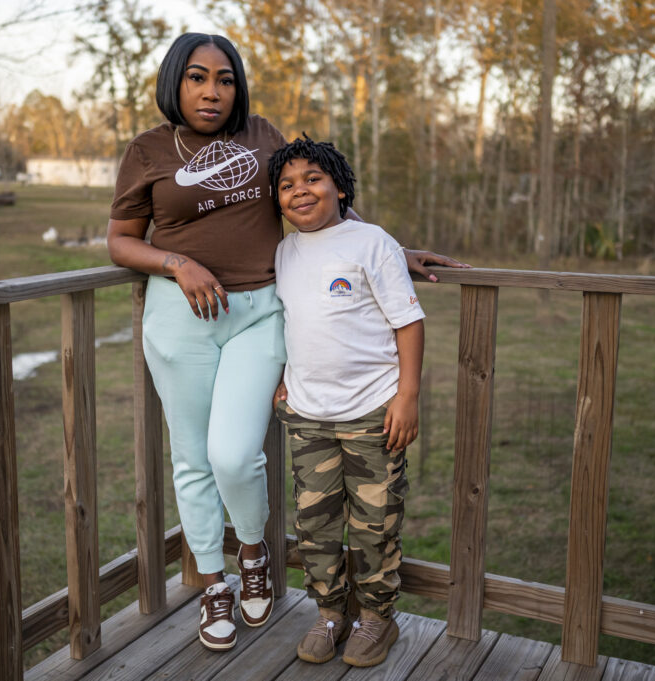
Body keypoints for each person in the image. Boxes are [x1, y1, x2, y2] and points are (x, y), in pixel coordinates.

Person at [106, 33, 466, 652]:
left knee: (233, 452)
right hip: (181, 313)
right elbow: (119, 240)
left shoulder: (263, 134)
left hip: (256, 312)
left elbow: (321, 208)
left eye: (224, 78)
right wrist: (175, 263)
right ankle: (216, 582)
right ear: (176, 83)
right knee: (191, 457)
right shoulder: (147, 150)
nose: (212, 91)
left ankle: (253, 550)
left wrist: (389, 251)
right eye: (197, 78)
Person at [269, 135, 422, 667]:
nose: (300, 191)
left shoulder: (371, 242)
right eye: (287, 185)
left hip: (371, 411)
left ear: (339, 186)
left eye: (313, 179)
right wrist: (285, 376)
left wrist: (407, 396)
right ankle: (330, 612)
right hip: (308, 415)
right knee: (315, 523)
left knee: (375, 522)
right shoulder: (284, 252)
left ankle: (376, 618)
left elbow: (408, 320)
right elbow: (296, 322)